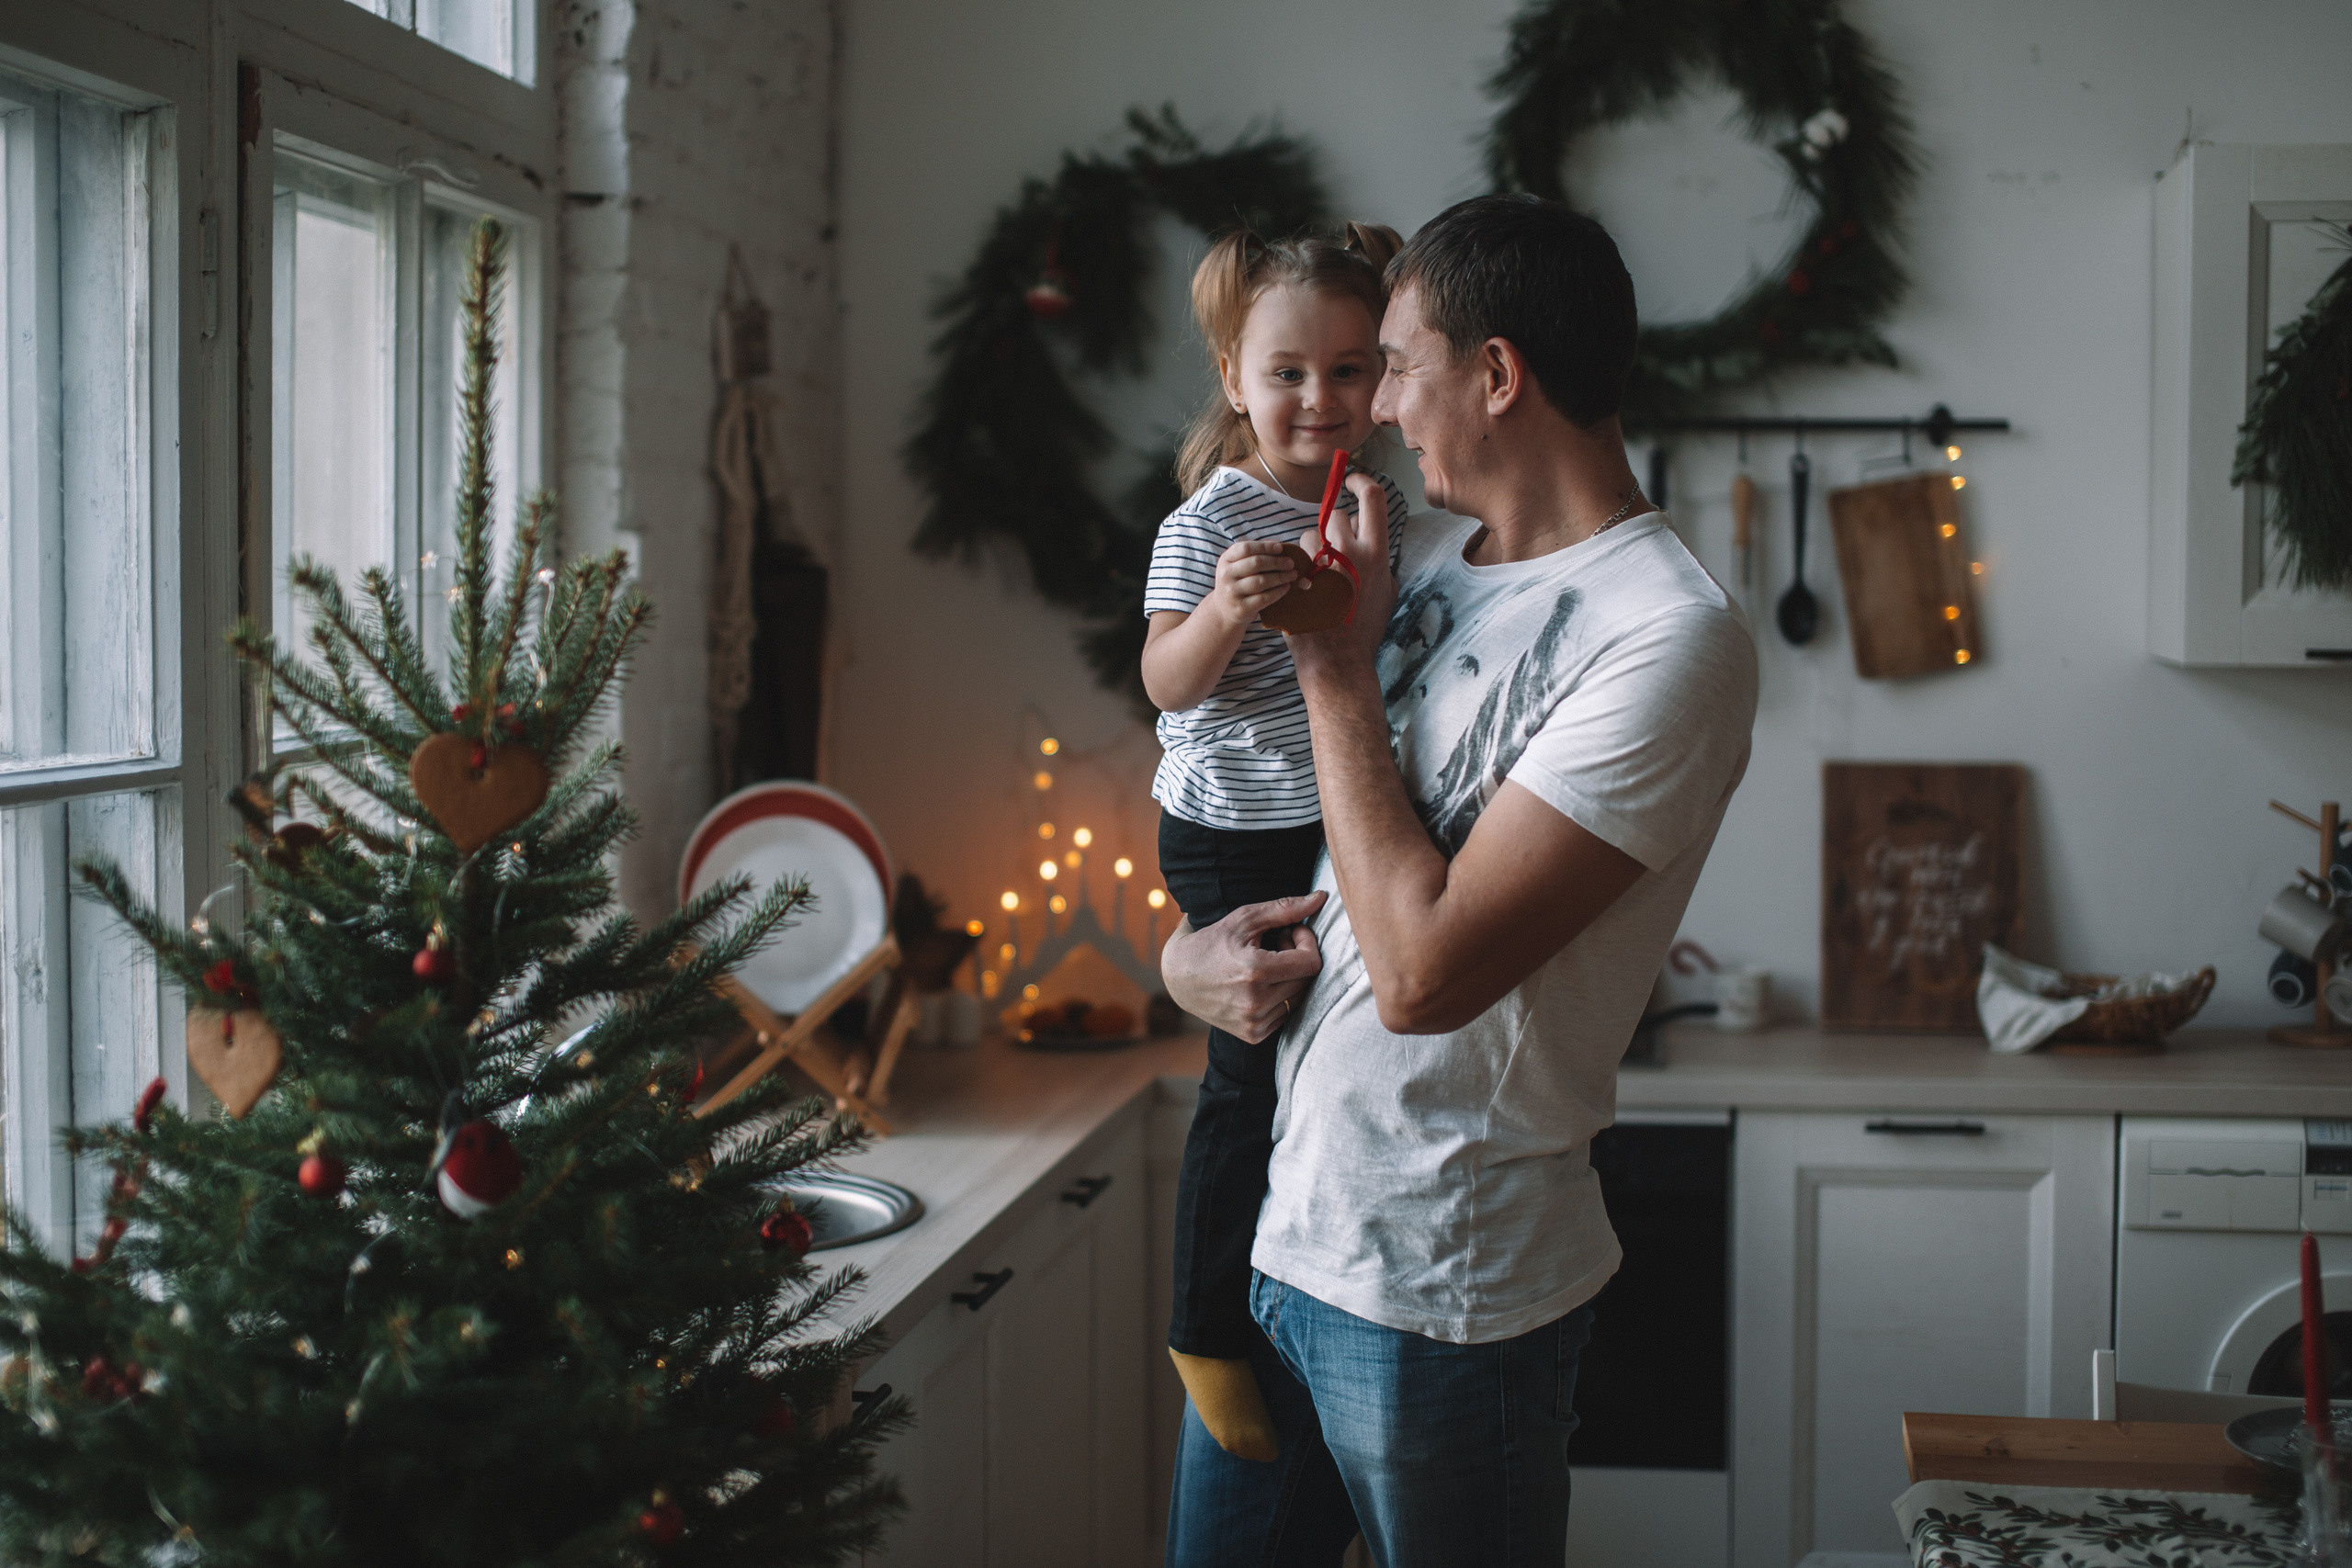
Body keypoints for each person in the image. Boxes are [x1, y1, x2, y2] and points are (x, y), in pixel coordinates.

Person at [1159, 194, 1759, 1568]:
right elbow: (1251, 803)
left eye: (1399, 362)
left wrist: (1331, 667)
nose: (1373, 405)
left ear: (1497, 377)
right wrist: (1182, 959)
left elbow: (1425, 975)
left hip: (1446, 1296)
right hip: (1280, 1242)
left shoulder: (1667, 640)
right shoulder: (1410, 553)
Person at [1139, 221, 1410, 1469]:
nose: (1319, 398)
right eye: (1289, 373)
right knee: (1248, 1076)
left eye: (1349, 370)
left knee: (1315, 1076)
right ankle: (1205, 1329)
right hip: (1229, 829)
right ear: (1236, 380)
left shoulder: (1378, 506)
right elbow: (1163, 683)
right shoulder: (1213, 521)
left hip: (1325, 816)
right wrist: (1222, 613)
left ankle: (1292, 1301)